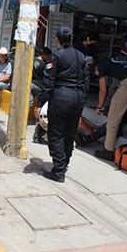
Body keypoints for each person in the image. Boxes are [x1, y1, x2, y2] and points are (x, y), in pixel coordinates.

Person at [35, 26, 87, 183]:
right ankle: (63, 165)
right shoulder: (81, 56)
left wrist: (40, 103)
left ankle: (58, 171)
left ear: (57, 39)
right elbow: (86, 81)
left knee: (56, 133)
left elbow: (48, 82)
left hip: (61, 97)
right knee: (70, 134)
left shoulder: (56, 56)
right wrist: (82, 99)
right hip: (78, 98)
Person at [94, 55, 127, 161]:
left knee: (113, 117)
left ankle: (108, 150)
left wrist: (99, 106)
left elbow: (103, 90)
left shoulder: (101, 66)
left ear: (96, 67)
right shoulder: (114, 61)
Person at [32, 47, 52, 144]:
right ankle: (38, 135)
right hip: (41, 88)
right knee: (43, 113)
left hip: (31, 85)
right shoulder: (45, 65)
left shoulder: (32, 60)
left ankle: (37, 135)